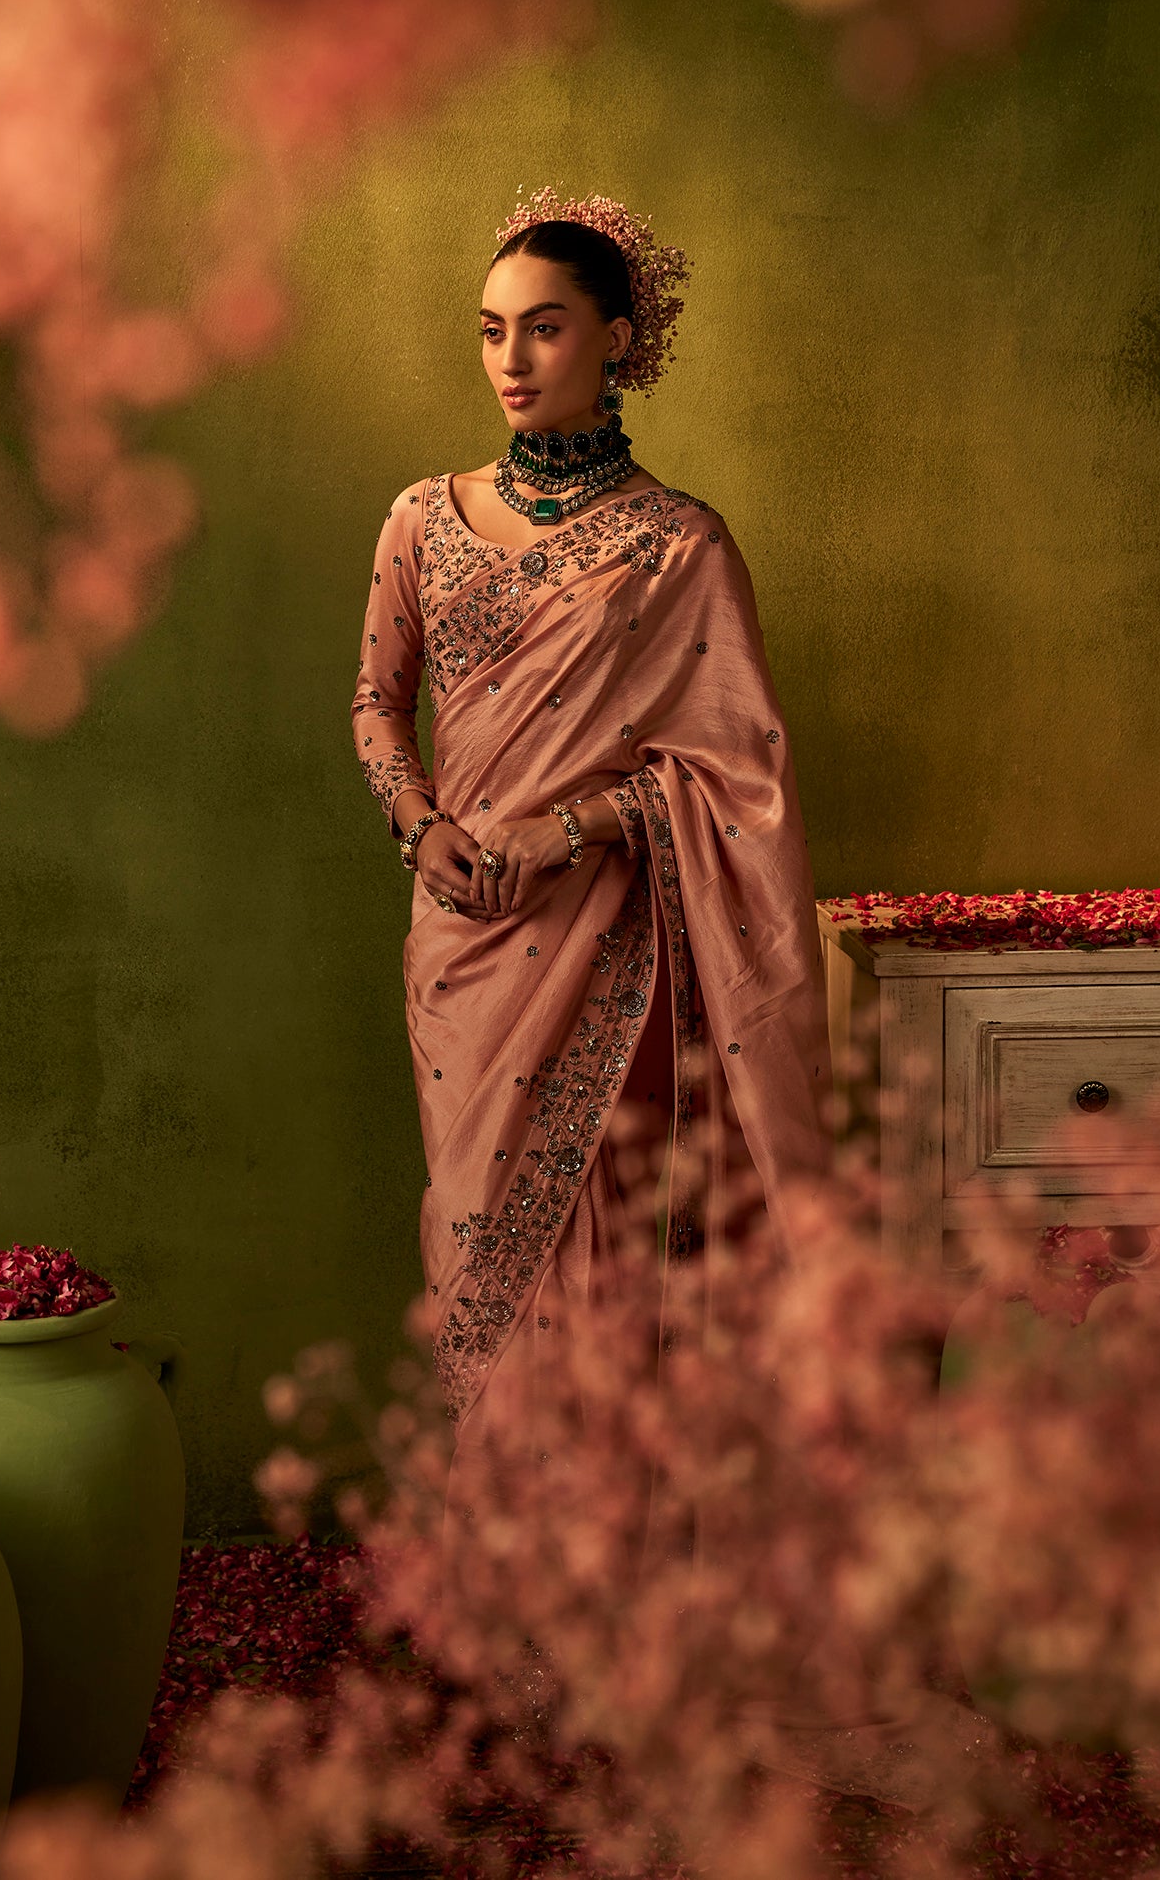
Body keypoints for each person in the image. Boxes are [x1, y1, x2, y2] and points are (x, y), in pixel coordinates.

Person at [351, 188, 832, 1453]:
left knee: (612, 1263)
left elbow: (735, 777)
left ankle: (610, 1590)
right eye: (492, 330)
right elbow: (375, 704)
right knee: (472, 1242)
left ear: (617, 340)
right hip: (462, 945)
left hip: (618, 952)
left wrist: (569, 833)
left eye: (545, 329)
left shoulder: (680, 549)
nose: (511, 361)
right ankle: (508, 1590)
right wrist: (422, 825)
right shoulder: (419, 520)